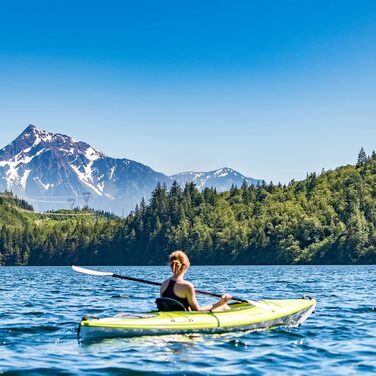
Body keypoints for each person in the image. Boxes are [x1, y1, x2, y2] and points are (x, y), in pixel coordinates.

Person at [160, 250, 232, 311]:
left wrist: (190, 295)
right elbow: (197, 311)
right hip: (184, 319)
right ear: (186, 266)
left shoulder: (164, 284)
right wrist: (221, 302)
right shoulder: (187, 286)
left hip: (172, 316)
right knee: (224, 307)